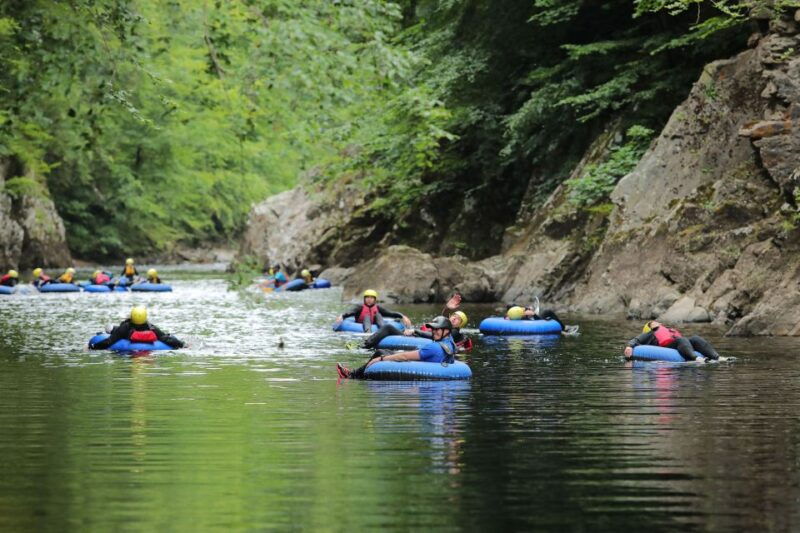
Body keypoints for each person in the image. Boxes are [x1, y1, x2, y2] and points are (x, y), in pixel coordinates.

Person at [337, 316, 457, 379]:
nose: (434, 332)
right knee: (388, 352)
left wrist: (380, 359)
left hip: (422, 366)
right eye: (433, 329)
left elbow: (405, 356)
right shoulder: (451, 342)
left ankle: (352, 375)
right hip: (434, 365)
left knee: (380, 353)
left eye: (437, 329)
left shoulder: (433, 347)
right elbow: (448, 327)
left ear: (446, 331)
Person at [361, 293, 473, 351]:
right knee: (390, 328)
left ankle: (365, 346)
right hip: (416, 338)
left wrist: (415, 331)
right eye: (453, 316)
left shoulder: (455, 333)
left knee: (388, 328)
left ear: (460, 324)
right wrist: (447, 308)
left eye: (458, 319)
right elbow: (442, 321)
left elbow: (435, 336)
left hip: (419, 340)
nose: (454, 318)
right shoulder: (446, 327)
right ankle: (368, 343)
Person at [89, 306, 185, 350]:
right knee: (165, 336)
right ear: (145, 317)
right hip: (146, 343)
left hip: (123, 338)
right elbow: (166, 338)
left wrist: (93, 346)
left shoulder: (125, 327)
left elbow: (108, 342)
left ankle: (109, 330)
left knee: (111, 329)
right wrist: (182, 345)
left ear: (132, 316)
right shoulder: (151, 327)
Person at [623, 320, 721, 362]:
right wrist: (629, 346)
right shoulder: (650, 333)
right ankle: (696, 359)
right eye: (652, 322)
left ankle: (717, 357)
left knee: (695, 338)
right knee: (681, 340)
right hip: (667, 347)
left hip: (679, 344)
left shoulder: (668, 330)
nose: (657, 322)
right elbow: (636, 339)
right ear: (649, 327)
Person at [335, 289, 412, 332]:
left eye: (371, 298)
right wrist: (342, 316)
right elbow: (350, 312)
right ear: (364, 299)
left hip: (377, 325)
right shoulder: (359, 307)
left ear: (375, 300)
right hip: (362, 326)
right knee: (367, 317)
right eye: (367, 297)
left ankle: (383, 330)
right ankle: (368, 333)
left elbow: (391, 313)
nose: (369, 300)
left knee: (378, 315)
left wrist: (402, 316)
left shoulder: (378, 308)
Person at [505, 300, 579, 336]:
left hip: (535, 321)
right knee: (546, 313)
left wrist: (530, 310)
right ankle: (563, 330)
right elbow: (537, 323)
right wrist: (533, 314)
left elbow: (537, 321)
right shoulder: (509, 316)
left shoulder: (520, 311)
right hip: (535, 324)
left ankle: (563, 328)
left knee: (547, 312)